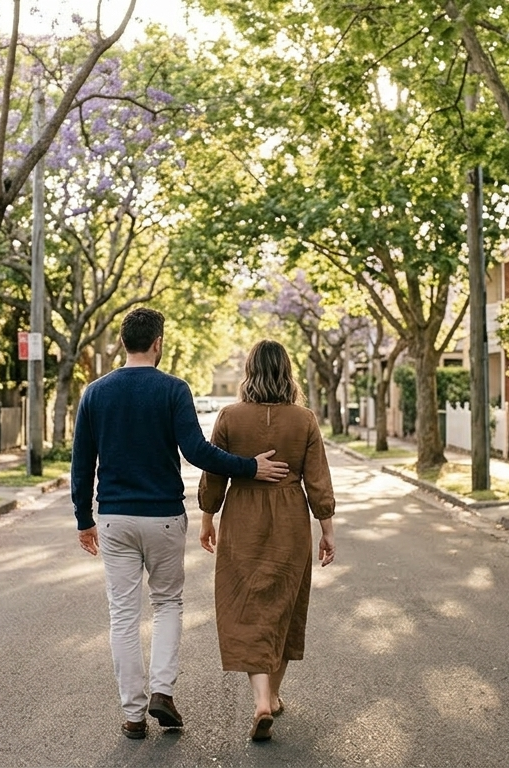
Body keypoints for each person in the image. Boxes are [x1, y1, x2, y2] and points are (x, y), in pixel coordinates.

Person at [72, 308, 290, 741]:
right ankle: (162, 692)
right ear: (158, 343)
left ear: (122, 342)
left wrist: (84, 519)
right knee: (167, 605)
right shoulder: (173, 389)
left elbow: (82, 464)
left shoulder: (95, 393)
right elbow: (197, 452)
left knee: (122, 616)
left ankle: (134, 715)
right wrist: (248, 467)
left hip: (114, 518)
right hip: (164, 519)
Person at [198, 339, 336, 742]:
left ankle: (261, 699)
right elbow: (318, 480)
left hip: (242, 517)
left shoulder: (229, 417)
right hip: (290, 520)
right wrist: (327, 530)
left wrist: (207, 518)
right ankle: (272, 695)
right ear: (286, 372)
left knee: (247, 606)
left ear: (249, 371)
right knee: (283, 606)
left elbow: (213, 475)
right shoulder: (305, 419)